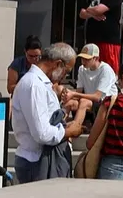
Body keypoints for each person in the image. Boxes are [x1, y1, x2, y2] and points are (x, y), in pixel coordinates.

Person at [10, 42, 87, 182]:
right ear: (58, 64)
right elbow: (42, 133)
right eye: (66, 72)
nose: (64, 77)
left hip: (41, 160)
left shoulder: (40, 83)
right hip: (37, 162)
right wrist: (68, 132)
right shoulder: (34, 85)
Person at [77, 0, 123, 71]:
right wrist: (93, 15)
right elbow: (82, 13)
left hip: (108, 41)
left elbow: (99, 10)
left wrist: (89, 10)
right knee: (91, 69)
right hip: (92, 40)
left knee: (108, 70)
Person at [69, 44, 119, 112]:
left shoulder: (105, 69)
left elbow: (97, 97)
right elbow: (79, 92)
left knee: (84, 102)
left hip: (106, 104)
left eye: (87, 59)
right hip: (91, 101)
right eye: (82, 58)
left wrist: (74, 94)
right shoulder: (82, 69)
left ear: (96, 58)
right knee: (71, 103)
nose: (83, 61)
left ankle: (76, 122)